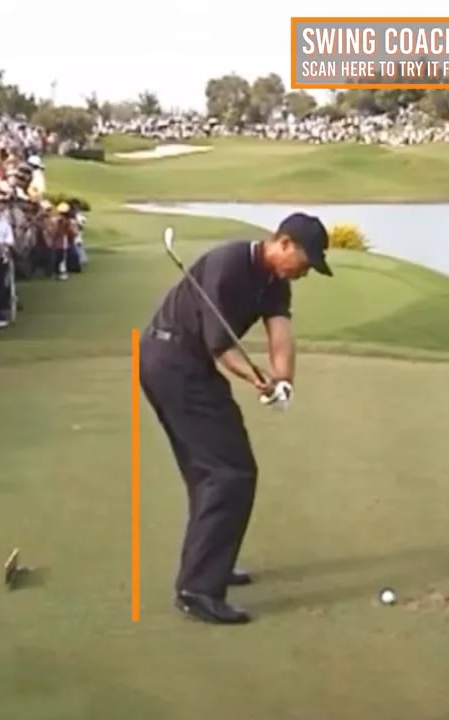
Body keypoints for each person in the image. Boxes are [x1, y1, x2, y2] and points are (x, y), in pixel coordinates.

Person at [138, 212, 332, 625]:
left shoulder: (275, 283)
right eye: (304, 260)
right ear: (282, 242)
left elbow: (280, 332)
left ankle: (210, 566)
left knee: (213, 472)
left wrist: (284, 380)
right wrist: (256, 380)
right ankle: (197, 589)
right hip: (171, 361)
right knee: (230, 472)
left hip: (187, 365)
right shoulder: (229, 265)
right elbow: (219, 346)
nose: (305, 271)